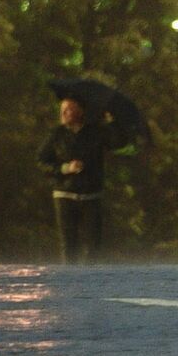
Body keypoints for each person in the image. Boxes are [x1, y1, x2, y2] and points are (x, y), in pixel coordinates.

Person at [38, 96, 112, 264]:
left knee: (93, 244)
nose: (64, 113)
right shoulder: (56, 134)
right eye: (62, 110)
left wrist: (110, 123)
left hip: (91, 195)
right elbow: (42, 161)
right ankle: (70, 280)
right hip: (64, 194)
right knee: (68, 243)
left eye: (69, 109)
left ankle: (90, 281)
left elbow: (115, 144)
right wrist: (65, 168)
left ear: (80, 111)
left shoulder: (96, 133)